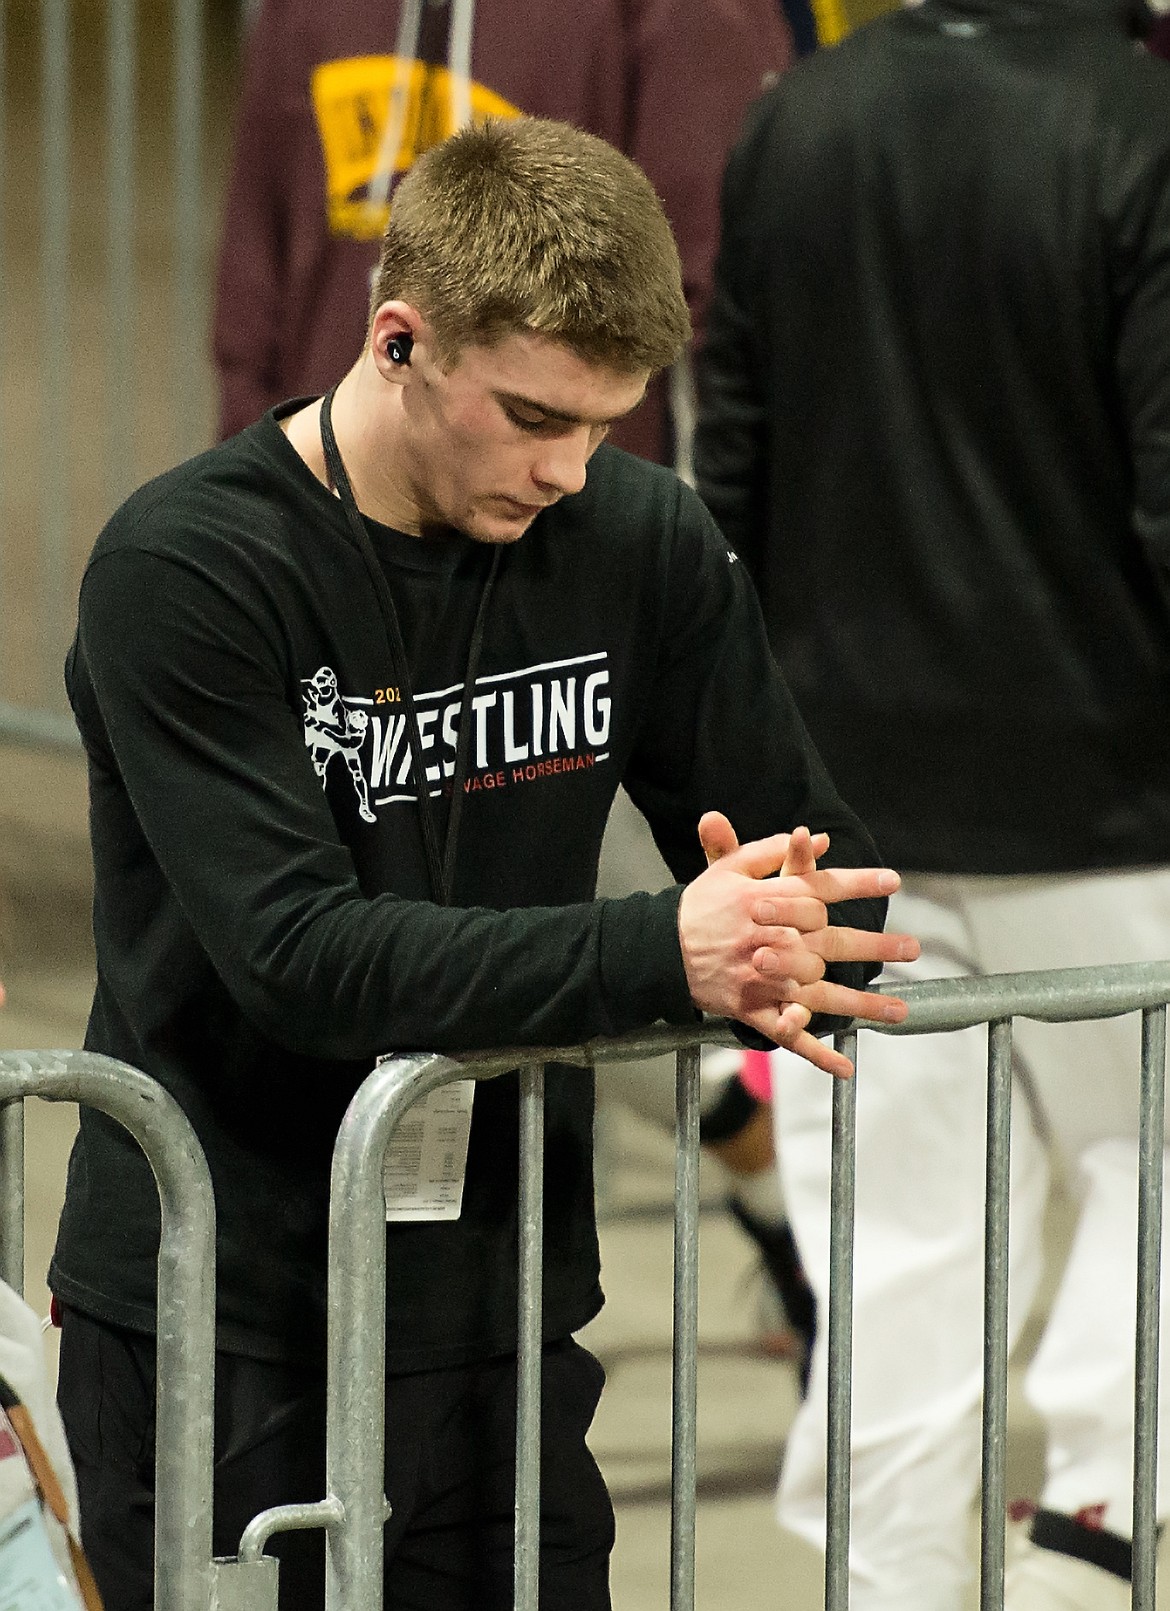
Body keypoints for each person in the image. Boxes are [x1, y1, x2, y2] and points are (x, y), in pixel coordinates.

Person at [52, 118, 917, 1611]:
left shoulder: (636, 540)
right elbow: (304, 956)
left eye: (605, 425)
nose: (569, 470)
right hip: (223, 1306)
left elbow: (815, 871)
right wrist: (668, 948)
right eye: (532, 416)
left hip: (501, 1310)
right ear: (399, 340)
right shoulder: (188, 570)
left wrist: (791, 936)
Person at [694, 0, 1170, 1606]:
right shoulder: (1135, 121)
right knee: (1149, 1161)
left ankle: (893, 1578)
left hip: (848, 802)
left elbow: (730, 476)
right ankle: (1096, 1520)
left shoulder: (796, 119)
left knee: (893, 1238)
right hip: (1109, 799)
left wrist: (755, 765)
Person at [211, 0, 793, 466]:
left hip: (547, 510)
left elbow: (720, 283)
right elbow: (255, 266)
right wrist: (261, 469)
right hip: (336, 487)